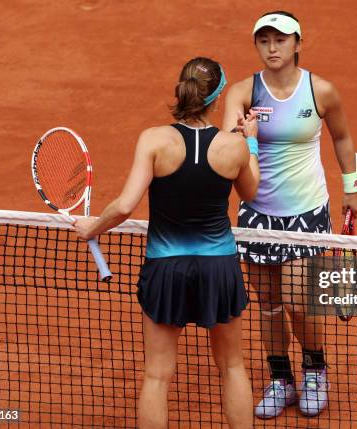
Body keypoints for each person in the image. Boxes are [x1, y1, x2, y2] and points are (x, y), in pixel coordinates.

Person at [73, 57, 260, 429]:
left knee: (157, 376)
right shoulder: (233, 147)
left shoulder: (154, 140)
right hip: (218, 268)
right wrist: (251, 141)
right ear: (217, 99)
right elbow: (251, 193)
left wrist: (93, 227)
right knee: (233, 366)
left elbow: (126, 205)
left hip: (166, 267)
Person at [223, 11, 357, 419]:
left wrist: (351, 187)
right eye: (264, 41)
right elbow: (230, 148)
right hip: (258, 215)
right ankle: (280, 379)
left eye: (280, 40)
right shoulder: (243, 93)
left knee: (298, 302)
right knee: (267, 304)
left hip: (306, 214)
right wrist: (243, 138)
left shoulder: (320, 91)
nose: (272, 48)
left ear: (298, 44)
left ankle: (315, 370)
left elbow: (342, 136)